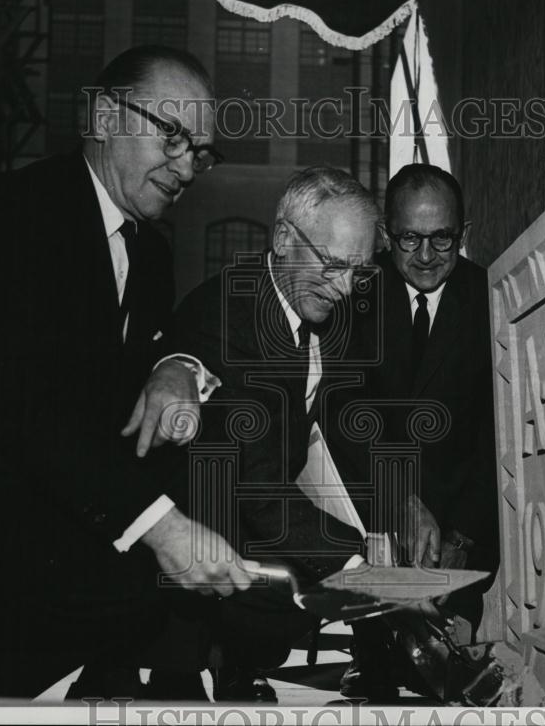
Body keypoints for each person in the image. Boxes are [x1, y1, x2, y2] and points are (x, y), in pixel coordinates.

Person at [0, 46, 258, 699]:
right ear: (104, 115)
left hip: (48, 489)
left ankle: (118, 666)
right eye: (173, 135)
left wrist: (174, 368)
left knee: (204, 449)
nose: (188, 165)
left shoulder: (151, 254)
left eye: (201, 151)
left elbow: (136, 367)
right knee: (146, 574)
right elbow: (27, 410)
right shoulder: (11, 214)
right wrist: (163, 528)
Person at [163, 166, 379, 702]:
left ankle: (236, 658)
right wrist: (361, 566)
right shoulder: (225, 317)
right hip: (193, 539)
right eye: (333, 265)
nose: (346, 288)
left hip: (254, 517)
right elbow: (254, 484)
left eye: (359, 272)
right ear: (283, 238)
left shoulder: (318, 313)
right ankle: (189, 662)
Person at [334, 163, 499, 701]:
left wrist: (462, 536)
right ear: (385, 234)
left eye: (441, 239)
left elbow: (496, 433)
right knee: (382, 678)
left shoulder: (493, 298)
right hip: (375, 501)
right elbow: (341, 413)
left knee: (446, 679)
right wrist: (397, 499)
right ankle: (373, 657)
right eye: (409, 238)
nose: (426, 256)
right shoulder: (352, 296)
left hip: (461, 520)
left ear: (464, 234)